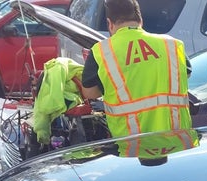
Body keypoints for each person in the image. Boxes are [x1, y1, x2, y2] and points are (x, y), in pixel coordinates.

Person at [80, 0, 192, 138]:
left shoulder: (101, 51)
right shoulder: (172, 44)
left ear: (109, 24)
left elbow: (90, 93)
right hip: (176, 138)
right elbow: (185, 74)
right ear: (141, 20)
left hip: (130, 142)